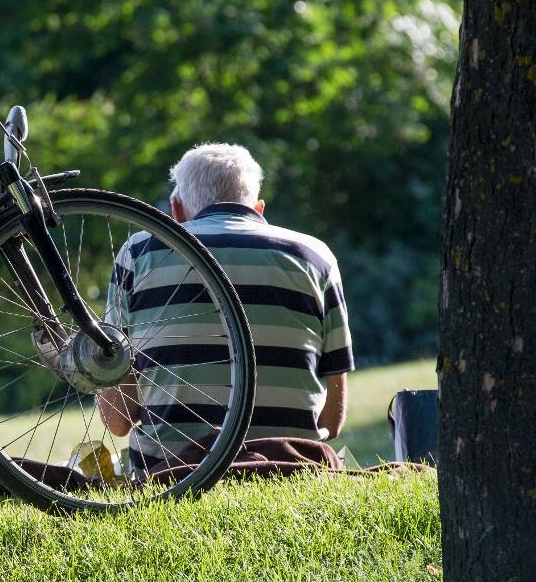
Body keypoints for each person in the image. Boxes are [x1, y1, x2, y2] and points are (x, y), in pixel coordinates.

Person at [97, 143, 353, 472]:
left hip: (169, 471)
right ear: (258, 209)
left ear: (176, 210)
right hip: (291, 466)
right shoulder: (316, 258)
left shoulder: (139, 253)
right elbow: (331, 421)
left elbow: (118, 420)